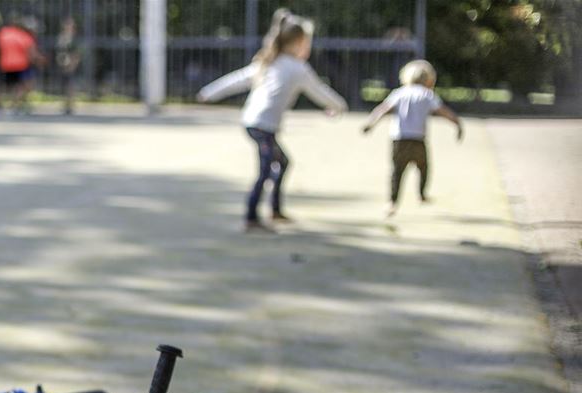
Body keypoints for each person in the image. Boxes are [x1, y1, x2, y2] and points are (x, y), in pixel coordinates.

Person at [197, 9, 347, 232]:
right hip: (261, 125)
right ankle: (250, 218)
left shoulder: (271, 63)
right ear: (297, 43)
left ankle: (275, 210)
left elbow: (236, 79)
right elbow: (319, 91)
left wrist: (208, 92)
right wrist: (339, 106)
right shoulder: (294, 68)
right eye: (307, 42)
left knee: (283, 163)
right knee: (265, 170)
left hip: (255, 123)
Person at [362, 59, 463, 217]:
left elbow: (383, 109)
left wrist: (371, 123)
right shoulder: (427, 94)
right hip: (418, 139)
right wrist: (457, 123)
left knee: (397, 171)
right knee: (424, 168)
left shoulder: (399, 92)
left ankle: (392, 203)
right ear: (430, 79)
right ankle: (421, 194)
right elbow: (443, 111)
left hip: (399, 138)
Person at [0, 16, 44, 114]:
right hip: (20, 64)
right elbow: (31, 53)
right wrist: (40, 61)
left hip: (5, 63)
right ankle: (15, 105)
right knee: (24, 86)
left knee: (5, 86)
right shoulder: (23, 36)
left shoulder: (3, 33)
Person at [56, 17, 83, 115]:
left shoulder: (74, 39)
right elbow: (59, 52)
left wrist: (73, 65)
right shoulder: (62, 38)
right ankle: (65, 105)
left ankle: (70, 106)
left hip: (71, 66)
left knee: (71, 86)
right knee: (64, 86)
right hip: (63, 65)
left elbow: (77, 54)